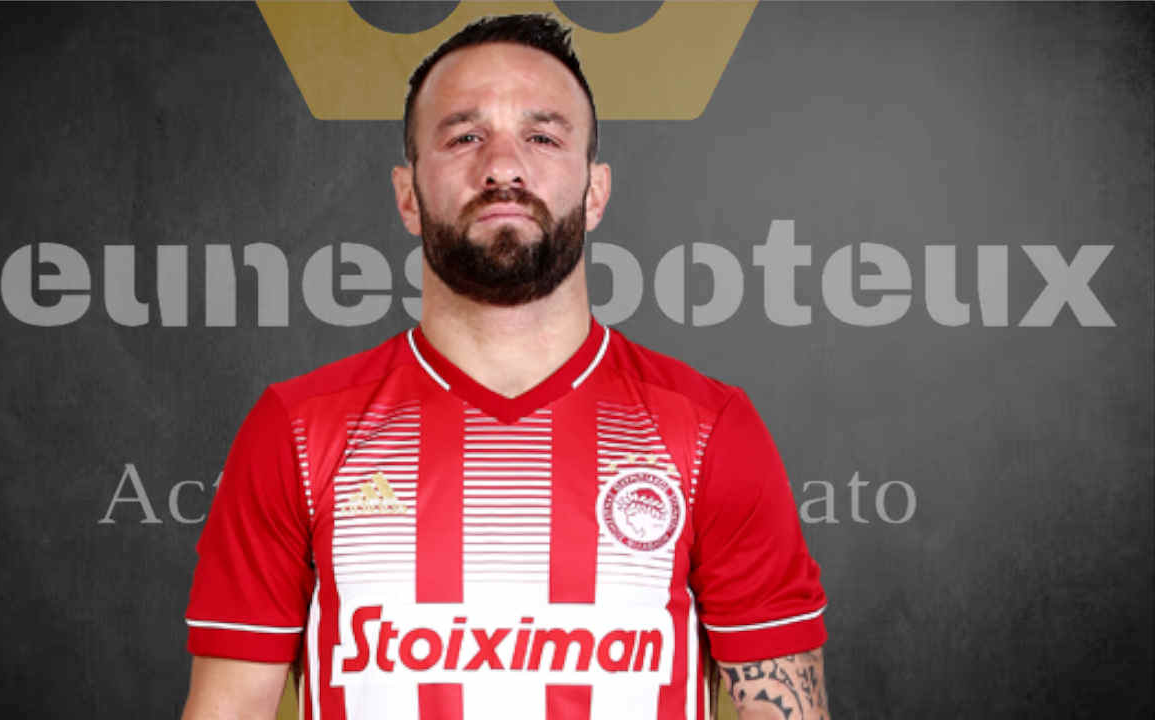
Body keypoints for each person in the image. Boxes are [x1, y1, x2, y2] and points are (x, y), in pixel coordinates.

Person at [181, 14, 829, 720]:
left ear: (596, 191)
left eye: (542, 137)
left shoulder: (707, 431)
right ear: (407, 194)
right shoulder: (298, 432)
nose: (502, 167)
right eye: (464, 136)